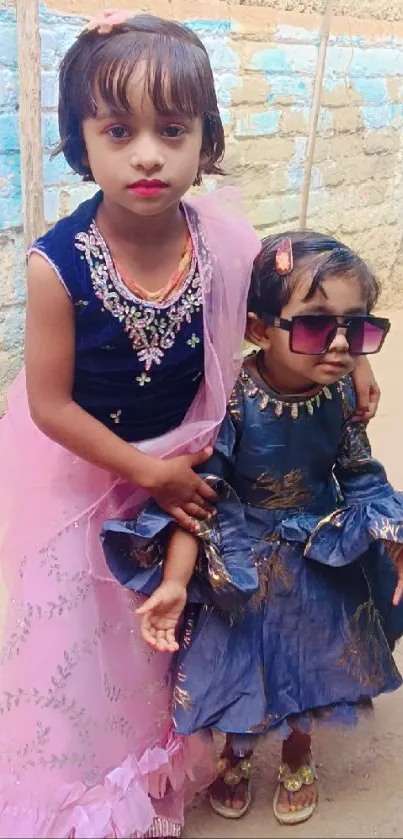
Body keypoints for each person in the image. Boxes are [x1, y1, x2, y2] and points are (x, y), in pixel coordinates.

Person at [0, 11, 264, 838]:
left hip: (186, 471)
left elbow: (285, 318)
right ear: (82, 144)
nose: (147, 152)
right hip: (85, 477)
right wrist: (147, 473)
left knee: (169, 623)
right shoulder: (57, 264)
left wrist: (353, 359)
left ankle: (168, 746)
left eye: (172, 129)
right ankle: (92, 785)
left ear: (205, 139)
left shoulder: (218, 240)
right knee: (94, 638)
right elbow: (48, 406)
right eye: (118, 129)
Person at [102, 232, 403, 829]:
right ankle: (235, 757)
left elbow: (362, 478)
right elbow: (201, 498)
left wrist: (394, 538)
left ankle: (297, 755)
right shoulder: (234, 399)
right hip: (238, 563)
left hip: (319, 559)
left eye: (358, 329)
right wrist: (177, 582)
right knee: (236, 667)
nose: (342, 346)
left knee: (312, 663)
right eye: (317, 327)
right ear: (260, 329)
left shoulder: (342, 393)